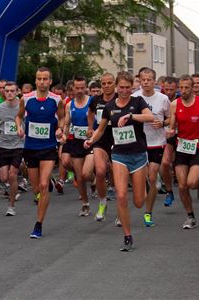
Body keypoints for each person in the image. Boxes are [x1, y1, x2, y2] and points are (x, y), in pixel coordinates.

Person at [85, 71, 154, 252]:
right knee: (121, 195)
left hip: (138, 155)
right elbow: (100, 129)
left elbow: (150, 117)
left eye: (127, 87)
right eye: (121, 87)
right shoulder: (109, 106)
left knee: (139, 202)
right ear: (117, 86)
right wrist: (91, 141)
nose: (124, 91)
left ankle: (145, 185)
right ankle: (127, 236)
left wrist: (131, 116)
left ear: (133, 86)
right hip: (119, 155)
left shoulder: (138, 102)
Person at [15, 67, 64, 239]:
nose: (42, 82)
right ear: (35, 81)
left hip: (48, 147)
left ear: (50, 81)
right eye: (39, 79)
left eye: (45, 79)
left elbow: (63, 117)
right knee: (36, 187)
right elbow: (19, 116)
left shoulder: (56, 100)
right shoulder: (26, 99)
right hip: (30, 148)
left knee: (43, 186)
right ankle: (46, 183)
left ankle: (38, 224)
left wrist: (60, 129)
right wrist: (19, 127)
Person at [167, 75, 199, 229]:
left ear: (192, 87)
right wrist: (170, 131)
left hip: (198, 147)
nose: (183, 91)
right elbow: (173, 125)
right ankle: (190, 216)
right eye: (181, 87)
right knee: (182, 186)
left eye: (186, 87)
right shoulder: (175, 104)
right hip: (181, 147)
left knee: (192, 183)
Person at [132, 68, 170, 227]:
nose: (146, 82)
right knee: (141, 179)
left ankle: (148, 212)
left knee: (152, 177)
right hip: (138, 143)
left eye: (149, 80)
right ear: (140, 81)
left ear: (155, 82)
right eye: (143, 79)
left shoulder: (163, 99)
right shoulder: (134, 97)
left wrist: (162, 123)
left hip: (157, 142)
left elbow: (170, 119)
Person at [0, 81, 25, 216]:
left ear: (17, 92)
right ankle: (14, 186)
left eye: (12, 91)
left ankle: (11, 206)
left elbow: (28, 122)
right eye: (7, 90)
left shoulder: (22, 107)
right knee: (4, 177)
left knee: (12, 174)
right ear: (3, 92)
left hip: (18, 145)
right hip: (3, 144)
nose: (9, 93)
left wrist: (23, 130)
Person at [62, 75, 95, 216]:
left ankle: (95, 180)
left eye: (82, 88)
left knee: (86, 173)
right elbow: (67, 124)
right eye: (77, 88)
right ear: (73, 88)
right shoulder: (70, 105)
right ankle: (85, 204)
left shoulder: (93, 102)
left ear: (86, 87)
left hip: (91, 142)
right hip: (76, 142)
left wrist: (93, 131)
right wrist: (64, 135)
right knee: (80, 177)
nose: (80, 90)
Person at [87, 73, 117, 221]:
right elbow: (91, 113)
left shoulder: (120, 98)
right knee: (99, 171)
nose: (106, 86)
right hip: (100, 138)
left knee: (117, 176)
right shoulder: (95, 100)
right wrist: (90, 127)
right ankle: (102, 202)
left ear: (115, 84)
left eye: (109, 83)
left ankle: (120, 209)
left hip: (117, 138)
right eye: (103, 83)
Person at [159, 76, 178, 206]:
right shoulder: (160, 99)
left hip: (184, 136)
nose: (169, 92)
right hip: (167, 136)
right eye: (166, 89)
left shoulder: (181, 100)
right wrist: (164, 123)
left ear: (176, 88)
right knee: (165, 163)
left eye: (172, 89)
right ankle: (169, 191)